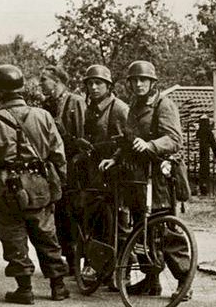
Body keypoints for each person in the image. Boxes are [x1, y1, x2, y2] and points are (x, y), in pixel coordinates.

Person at [0, 64, 69, 304]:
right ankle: (58, 286)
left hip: (5, 188)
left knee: (13, 236)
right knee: (46, 234)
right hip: (38, 183)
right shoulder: (43, 116)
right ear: (21, 88)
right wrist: (60, 181)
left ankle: (24, 289)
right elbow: (58, 154)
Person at [98, 60, 192, 301]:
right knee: (142, 228)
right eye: (135, 80)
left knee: (166, 230)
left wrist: (151, 145)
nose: (139, 84)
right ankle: (152, 281)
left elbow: (174, 139)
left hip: (159, 177)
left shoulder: (164, 105)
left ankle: (184, 282)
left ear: (152, 83)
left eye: (143, 80)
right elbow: (130, 140)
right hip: (137, 177)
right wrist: (115, 159)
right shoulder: (134, 106)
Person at [77, 65, 129, 288]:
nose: (94, 87)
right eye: (90, 83)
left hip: (115, 173)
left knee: (119, 223)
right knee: (96, 221)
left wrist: (106, 151)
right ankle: (100, 267)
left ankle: (123, 271)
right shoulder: (91, 109)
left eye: (99, 83)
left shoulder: (119, 109)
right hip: (94, 174)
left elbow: (125, 142)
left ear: (109, 86)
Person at [39, 65, 85, 274]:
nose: (41, 85)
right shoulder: (47, 104)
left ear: (56, 81)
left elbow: (82, 137)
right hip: (55, 168)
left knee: (73, 215)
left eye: (44, 80)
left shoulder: (75, 102)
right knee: (59, 216)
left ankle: (78, 263)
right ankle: (67, 260)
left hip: (74, 168)